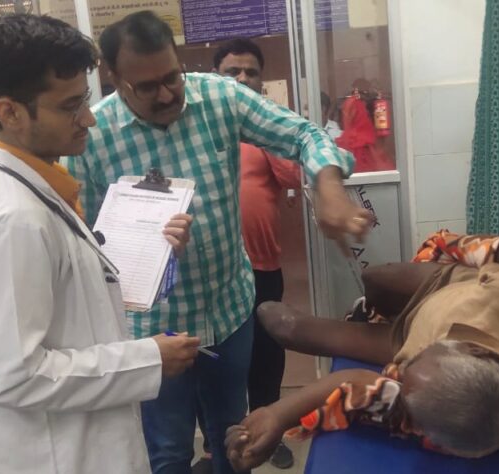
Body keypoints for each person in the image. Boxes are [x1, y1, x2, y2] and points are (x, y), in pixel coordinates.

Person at [64, 11, 372, 474]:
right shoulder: (94, 136)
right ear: (116, 79)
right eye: (147, 87)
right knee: (167, 451)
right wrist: (147, 249)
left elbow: (304, 134)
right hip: (152, 331)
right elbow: (81, 241)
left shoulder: (220, 97)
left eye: (172, 77)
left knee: (234, 437)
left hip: (227, 314)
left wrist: (328, 186)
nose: (166, 94)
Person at [0, 14, 200, 474]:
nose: (88, 118)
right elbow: (11, 376)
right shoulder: (16, 220)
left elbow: (73, 302)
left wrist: (153, 257)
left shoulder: (38, 187)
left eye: (84, 99)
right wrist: (146, 359)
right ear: (10, 113)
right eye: (70, 107)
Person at [224, 232, 499, 470]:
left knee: (278, 322)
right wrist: (465, 249)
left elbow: (354, 381)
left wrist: (275, 416)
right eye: (423, 359)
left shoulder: (439, 417)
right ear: (475, 353)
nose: (399, 372)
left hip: (401, 338)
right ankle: (375, 305)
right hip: (449, 287)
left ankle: (375, 318)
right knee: (375, 278)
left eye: (403, 376)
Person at [204, 38, 302, 471]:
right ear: (216, 77)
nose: (242, 78)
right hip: (217, 270)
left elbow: (293, 176)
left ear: (261, 80)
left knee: (266, 353)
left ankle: (268, 431)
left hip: (263, 265)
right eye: (232, 72)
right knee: (217, 358)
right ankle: (217, 443)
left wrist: (263, 128)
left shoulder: (268, 127)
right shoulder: (203, 129)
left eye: (251, 72)